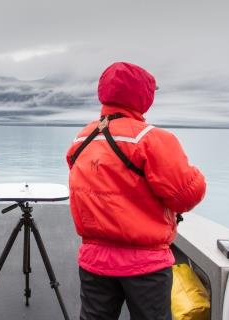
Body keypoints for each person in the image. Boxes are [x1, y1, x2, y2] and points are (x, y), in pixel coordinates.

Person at [66, 62, 206, 320]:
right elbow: (186, 196)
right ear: (144, 96)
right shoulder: (154, 140)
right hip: (145, 266)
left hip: (94, 261)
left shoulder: (82, 139)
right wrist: (194, 174)